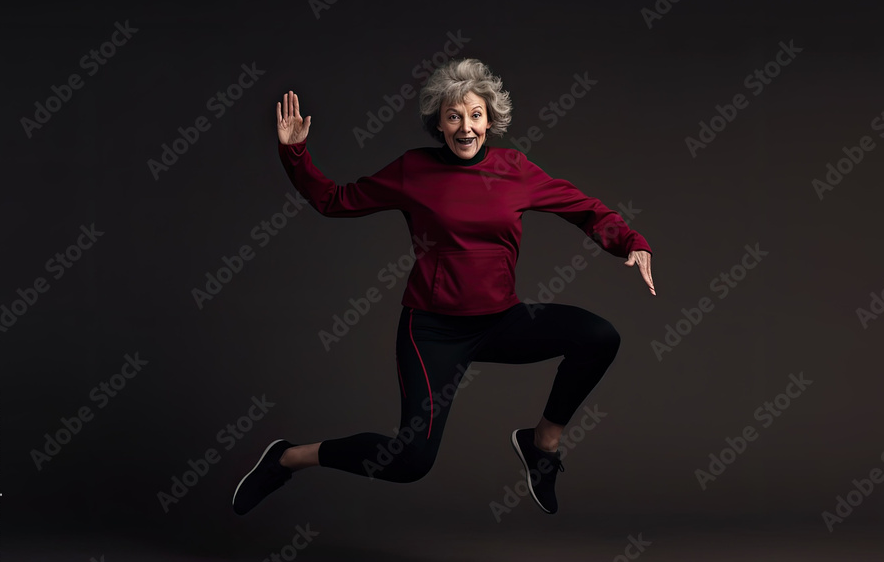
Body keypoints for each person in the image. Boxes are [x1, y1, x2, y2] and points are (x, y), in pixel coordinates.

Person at [232, 58, 655, 516]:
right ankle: (288, 457)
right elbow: (336, 201)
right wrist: (295, 154)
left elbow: (584, 209)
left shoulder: (515, 170)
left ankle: (541, 446)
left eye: (475, 115)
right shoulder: (413, 170)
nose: (466, 127)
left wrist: (630, 242)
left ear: (490, 120)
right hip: (432, 331)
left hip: (500, 320)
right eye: (454, 116)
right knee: (410, 460)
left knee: (599, 337)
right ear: (439, 122)